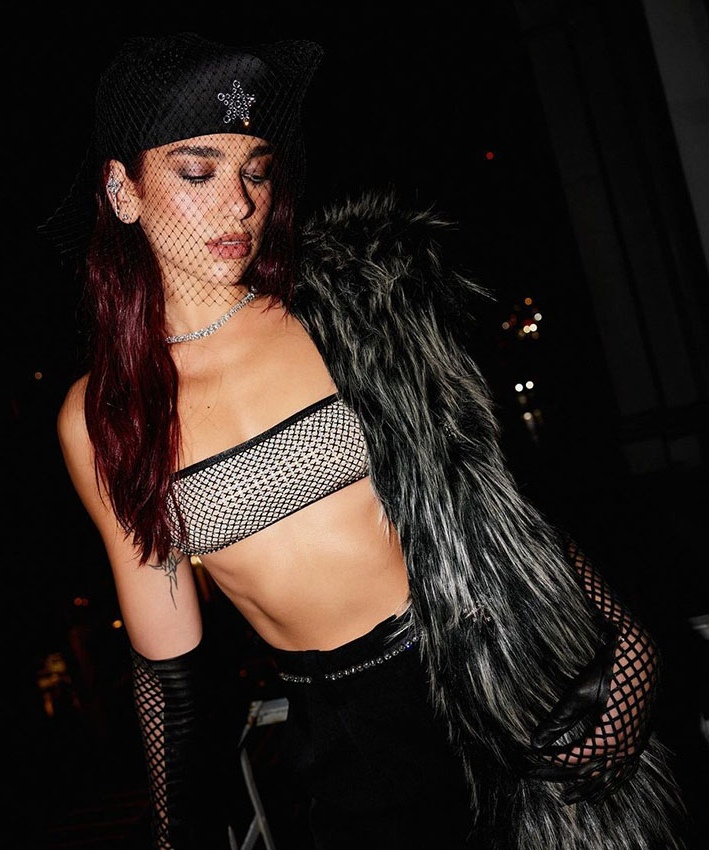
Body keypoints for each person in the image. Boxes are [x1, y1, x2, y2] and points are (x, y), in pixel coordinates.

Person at [41, 33, 686, 850]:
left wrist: (625, 643)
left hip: (512, 689)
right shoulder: (104, 413)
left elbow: (498, 504)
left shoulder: (358, 305)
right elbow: (171, 670)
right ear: (122, 190)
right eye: (198, 172)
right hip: (349, 748)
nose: (240, 204)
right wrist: (176, 836)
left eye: (257, 171)